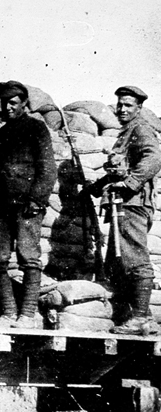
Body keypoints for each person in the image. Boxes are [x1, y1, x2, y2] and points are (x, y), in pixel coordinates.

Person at [85, 86, 161, 335]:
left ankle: (139, 318)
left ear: (138, 108)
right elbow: (118, 170)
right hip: (123, 203)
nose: (122, 109)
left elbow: (153, 158)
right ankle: (140, 316)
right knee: (118, 262)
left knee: (134, 258)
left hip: (132, 204)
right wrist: (95, 188)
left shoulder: (140, 128)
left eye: (128, 105)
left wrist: (130, 184)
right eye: (119, 104)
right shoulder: (125, 133)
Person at [0, 81, 57, 328]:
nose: (8, 107)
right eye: (4, 103)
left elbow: (47, 167)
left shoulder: (36, 128)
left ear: (24, 103)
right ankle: (8, 313)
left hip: (26, 205)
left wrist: (37, 199)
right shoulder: (1, 134)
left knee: (29, 258)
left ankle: (27, 314)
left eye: (13, 102)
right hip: (1, 205)